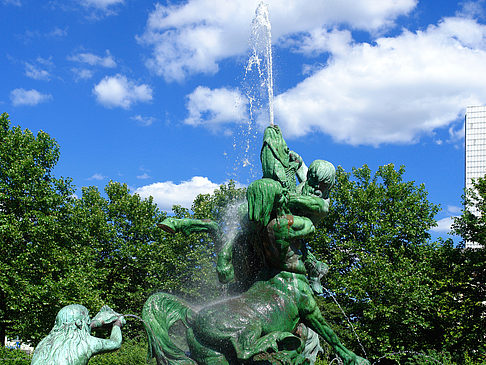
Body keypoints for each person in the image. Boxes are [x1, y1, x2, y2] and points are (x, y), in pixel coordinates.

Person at [31, 304, 125, 365]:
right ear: (81, 322)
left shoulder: (44, 342)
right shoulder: (86, 342)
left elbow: (78, 327)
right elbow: (115, 343)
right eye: (88, 319)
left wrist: (97, 322)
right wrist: (117, 324)